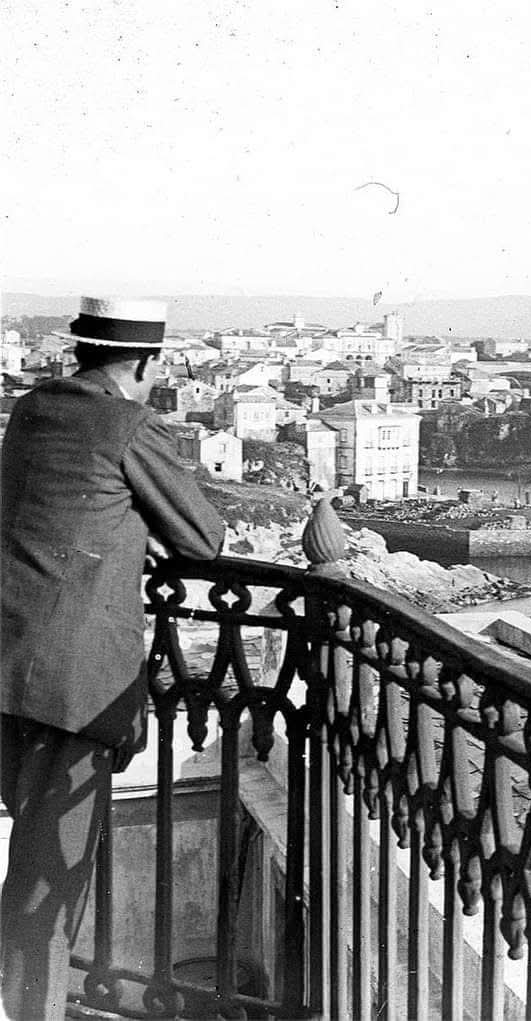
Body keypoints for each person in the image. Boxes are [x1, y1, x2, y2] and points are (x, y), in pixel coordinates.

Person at [0, 296, 225, 1020]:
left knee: (28, 866)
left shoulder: (33, 409)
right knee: (45, 887)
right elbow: (203, 538)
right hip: (74, 687)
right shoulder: (126, 422)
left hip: (10, 664)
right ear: (143, 363)